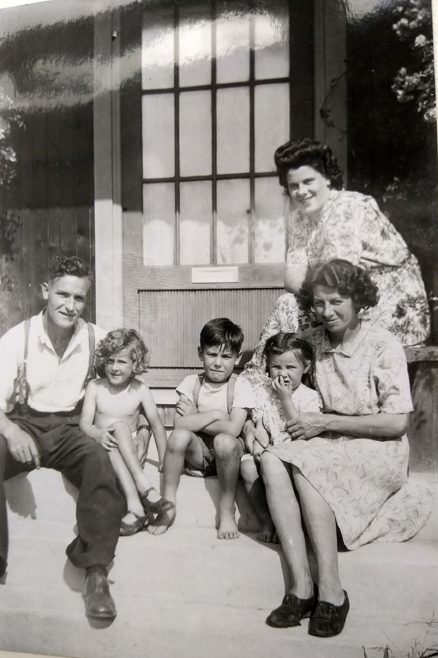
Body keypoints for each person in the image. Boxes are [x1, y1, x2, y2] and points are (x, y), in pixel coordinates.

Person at [260, 259, 432, 638]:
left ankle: (333, 592)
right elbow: (278, 364)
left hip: (376, 445)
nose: (327, 312)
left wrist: (325, 424)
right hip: (329, 439)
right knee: (271, 460)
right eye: (319, 303)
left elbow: (397, 423)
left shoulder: (382, 344)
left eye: (336, 301)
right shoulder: (314, 341)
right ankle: (301, 587)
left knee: (311, 468)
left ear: (358, 300)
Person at [0, 256, 126, 621]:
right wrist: (9, 429)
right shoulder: (17, 339)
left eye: (79, 298)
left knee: (100, 462)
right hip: (24, 424)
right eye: (62, 295)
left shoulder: (95, 338)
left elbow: (128, 374)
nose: (70, 306)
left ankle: (97, 575)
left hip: (72, 427)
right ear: (45, 292)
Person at [246, 138, 430, 374]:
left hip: (388, 305)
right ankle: (266, 384)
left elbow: (339, 280)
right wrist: (314, 290)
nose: (302, 192)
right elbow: (291, 279)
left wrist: (314, 289)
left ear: (327, 177)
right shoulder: (302, 218)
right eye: (294, 186)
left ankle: (263, 383)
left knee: (296, 311)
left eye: (308, 181)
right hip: (337, 301)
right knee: (289, 304)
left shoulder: (348, 206)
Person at [148, 318, 256, 540]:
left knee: (224, 441)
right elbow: (180, 424)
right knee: (178, 436)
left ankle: (226, 511)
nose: (218, 362)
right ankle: (168, 504)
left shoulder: (241, 385)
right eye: (211, 354)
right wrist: (216, 415)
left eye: (226, 356)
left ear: (236, 358)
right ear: (200, 353)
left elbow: (234, 429)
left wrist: (195, 418)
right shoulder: (191, 383)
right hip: (199, 455)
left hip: (228, 455)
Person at [79, 328, 172, 536]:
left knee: (121, 427)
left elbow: (156, 424)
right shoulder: (95, 387)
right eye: (110, 361)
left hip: (130, 450)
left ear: (135, 364)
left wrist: (165, 459)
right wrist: (97, 434)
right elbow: (85, 424)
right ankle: (144, 491)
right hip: (102, 445)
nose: (114, 367)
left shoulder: (140, 390)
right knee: (115, 429)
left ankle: (136, 503)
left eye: (122, 362)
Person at [241, 332, 321, 543]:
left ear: (306, 367)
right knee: (247, 467)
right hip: (267, 452)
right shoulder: (263, 392)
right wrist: (257, 446)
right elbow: (260, 425)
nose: (282, 373)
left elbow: (301, 430)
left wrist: (286, 399)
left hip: (294, 456)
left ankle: (296, 525)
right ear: (268, 367)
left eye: (290, 367)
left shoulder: (309, 397)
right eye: (276, 367)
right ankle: (266, 519)